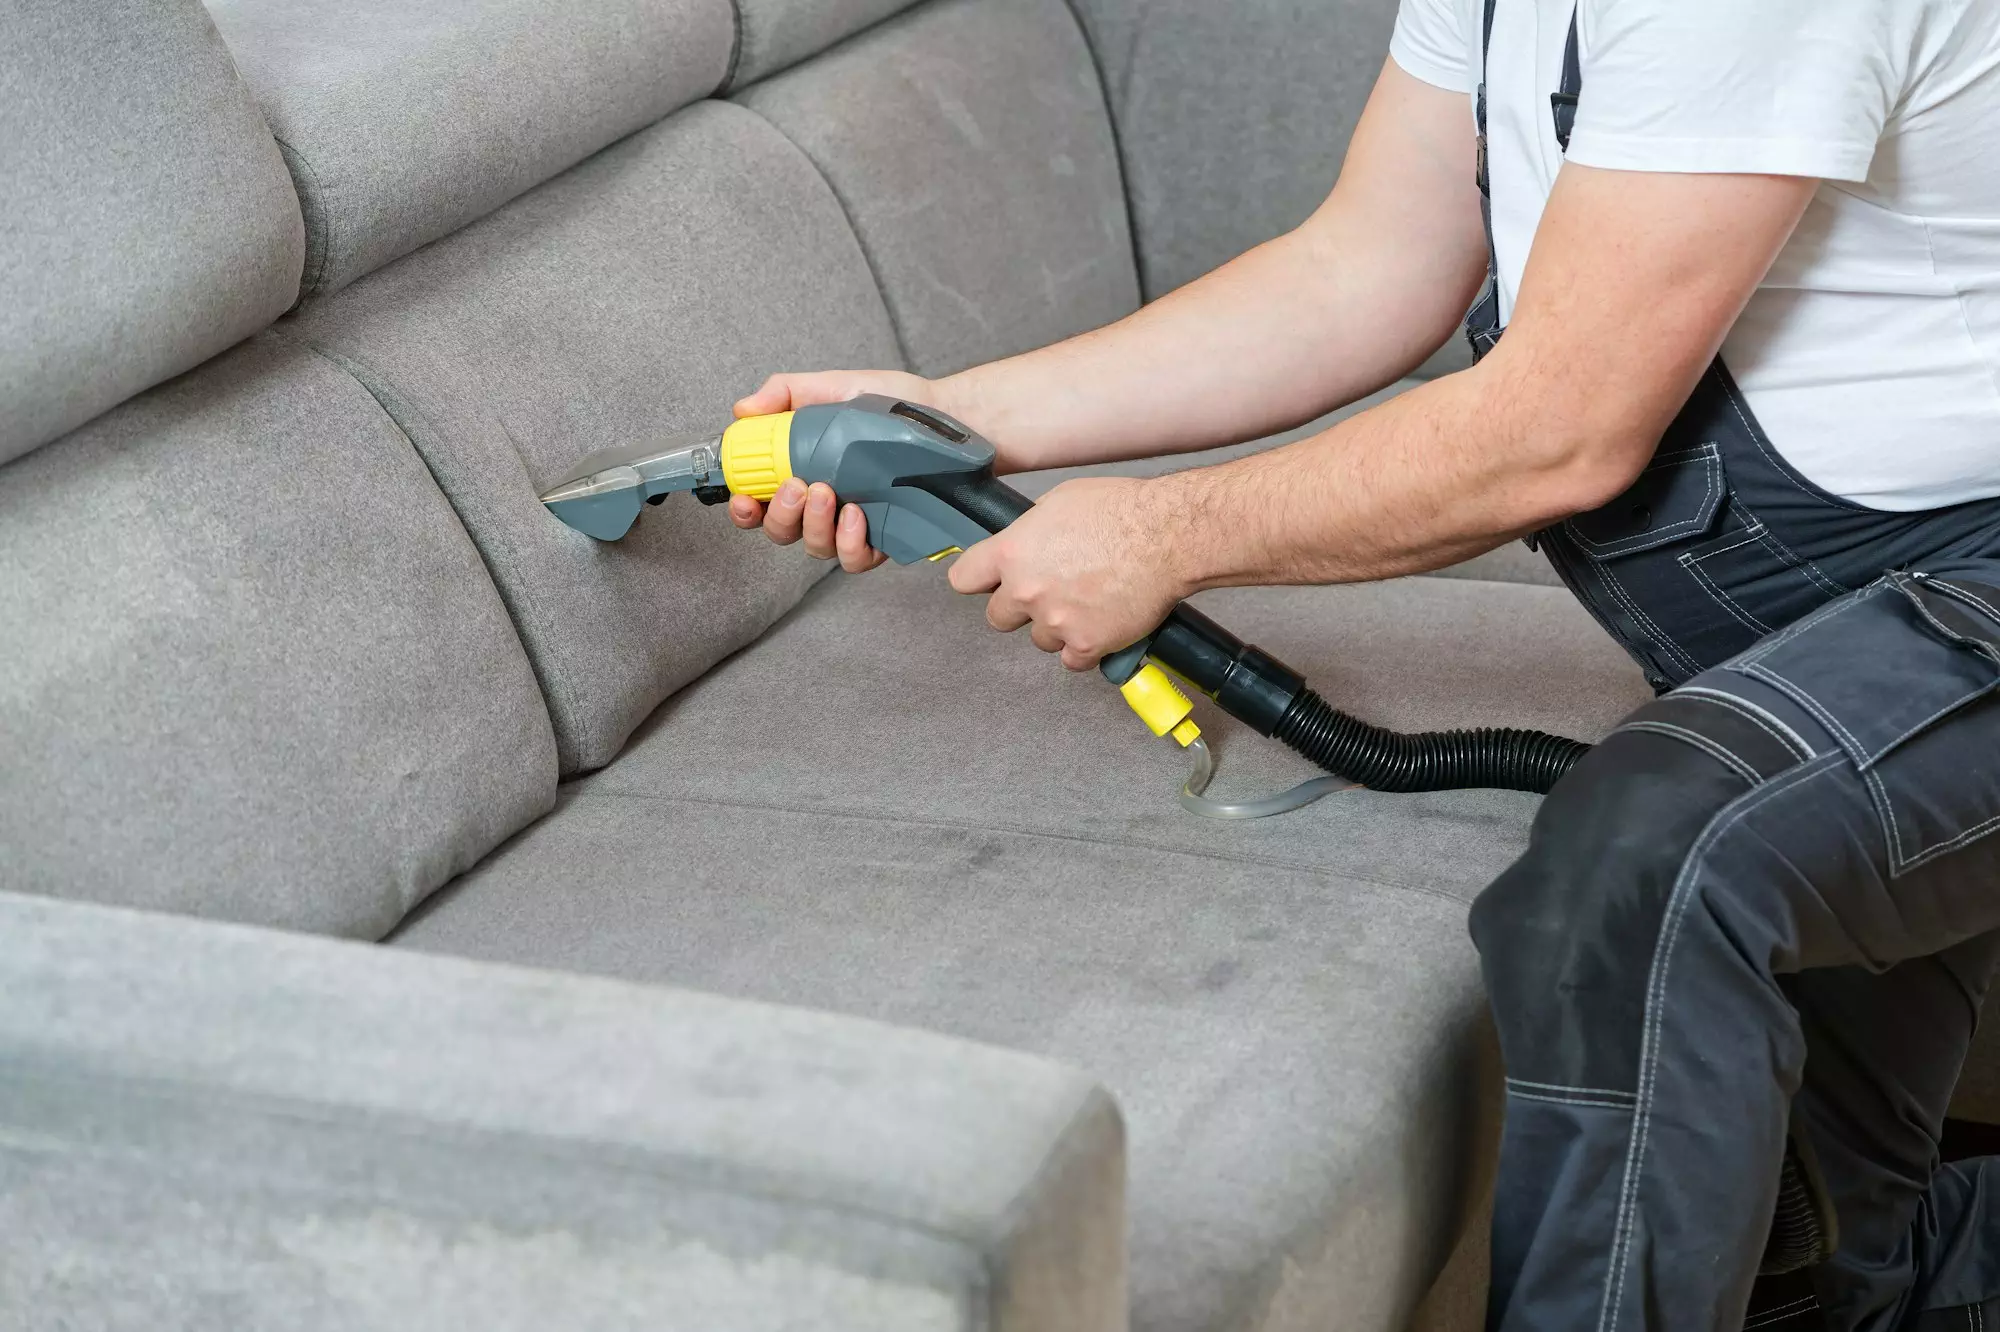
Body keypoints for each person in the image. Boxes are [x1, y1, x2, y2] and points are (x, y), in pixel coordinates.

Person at [726, 0, 2000, 1326]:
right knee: (1843, 1279)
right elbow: (1368, 262)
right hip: (1832, 637)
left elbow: (1558, 430)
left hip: (1964, 602)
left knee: (1652, 866)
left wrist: (1160, 534)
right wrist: (952, 420)